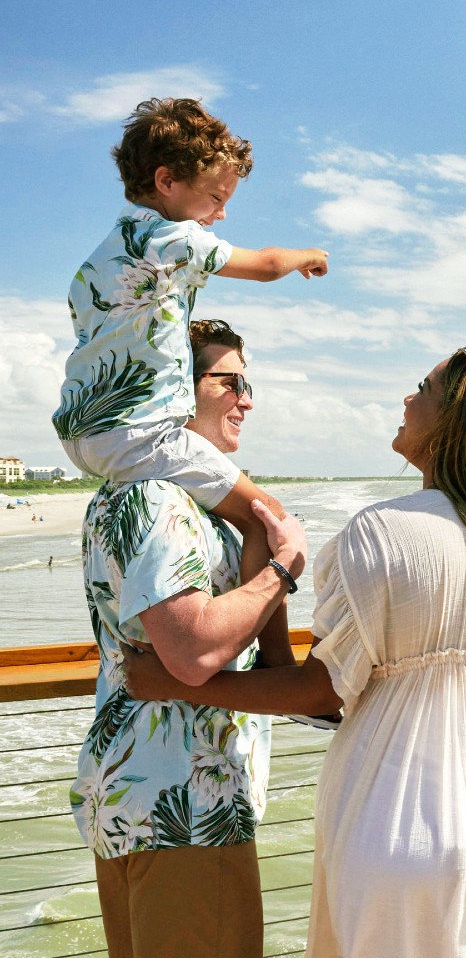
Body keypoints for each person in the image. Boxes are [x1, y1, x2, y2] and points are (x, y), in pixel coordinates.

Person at [124, 345, 466, 958]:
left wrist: (173, 681)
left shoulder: (381, 532)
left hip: (403, 833)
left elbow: (321, 690)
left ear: (457, 418)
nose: (407, 397)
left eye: (423, 387)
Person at [52, 96, 328, 668]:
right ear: (167, 180)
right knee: (266, 515)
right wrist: (306, 256)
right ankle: (278, 665)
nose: (220, 215)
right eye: (216, 198)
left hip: (87, 431)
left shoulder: (96, 263)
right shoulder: (167, 240)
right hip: (141, 431)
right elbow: (267, 263)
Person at [72, 318, 307, 958]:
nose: (246, 400)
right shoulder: (161, 502)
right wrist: (283, 570)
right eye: (229, 382)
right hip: (187, 806)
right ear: (178, 388)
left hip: (136, 797)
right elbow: (195, 652)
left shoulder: (134, 495)